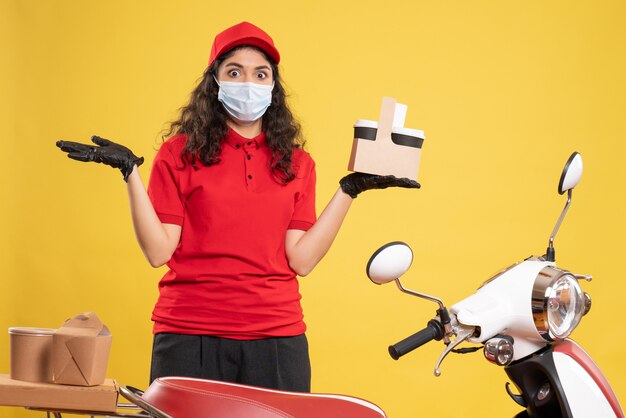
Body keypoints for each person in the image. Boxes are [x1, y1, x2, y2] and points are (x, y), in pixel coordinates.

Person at [56, 21, 419, 393]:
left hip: (277, 338)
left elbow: (302, 260)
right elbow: (158, 251)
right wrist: (130, 173)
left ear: (273, 87)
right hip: (188, 336)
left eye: (260, 74)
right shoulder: (179, 154)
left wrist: (350, 189)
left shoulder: (297, 163)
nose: (248, 83)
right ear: (214, 82)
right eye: (235, 72)